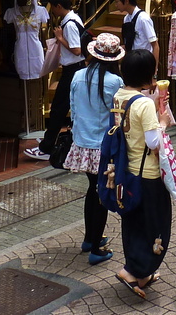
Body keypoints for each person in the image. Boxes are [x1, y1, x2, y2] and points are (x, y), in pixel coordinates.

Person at [113, 49, 172, 300]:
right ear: (148, 75)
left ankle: (140, 271)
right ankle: (133, 270)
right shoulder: (144, 104)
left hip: (127, 173)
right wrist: (163, 120)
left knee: (135, 223)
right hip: (147, 174)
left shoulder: (119, 96)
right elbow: (153, 142)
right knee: (157, 224)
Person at [66, 33, 125, 265]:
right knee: (101, 193)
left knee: (93, 189)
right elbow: (119, 118)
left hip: (82, 143)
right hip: (103, 145)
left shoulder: (77, 76)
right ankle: (96, 247)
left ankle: (90, 239)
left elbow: (73, 108)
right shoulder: (115, 82)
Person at [28, 0, 86, 161]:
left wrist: (60, 38)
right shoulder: (74, 19)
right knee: (66, 108)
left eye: (53, 7)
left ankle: (47, 146)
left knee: (58, 109)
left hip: (73, 70)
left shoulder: (69, 24)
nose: (52, 11)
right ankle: (53, 141)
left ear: (59, 6)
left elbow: (76, 50)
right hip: (75, 69)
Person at [112, 0, 159, 64]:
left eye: (117, 2)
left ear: (126, 1)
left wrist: (154, 70)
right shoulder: (126, 18)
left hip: (144, 61)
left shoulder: (143, 18)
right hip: (132, 61)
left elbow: (155, 45)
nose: (116, 5)